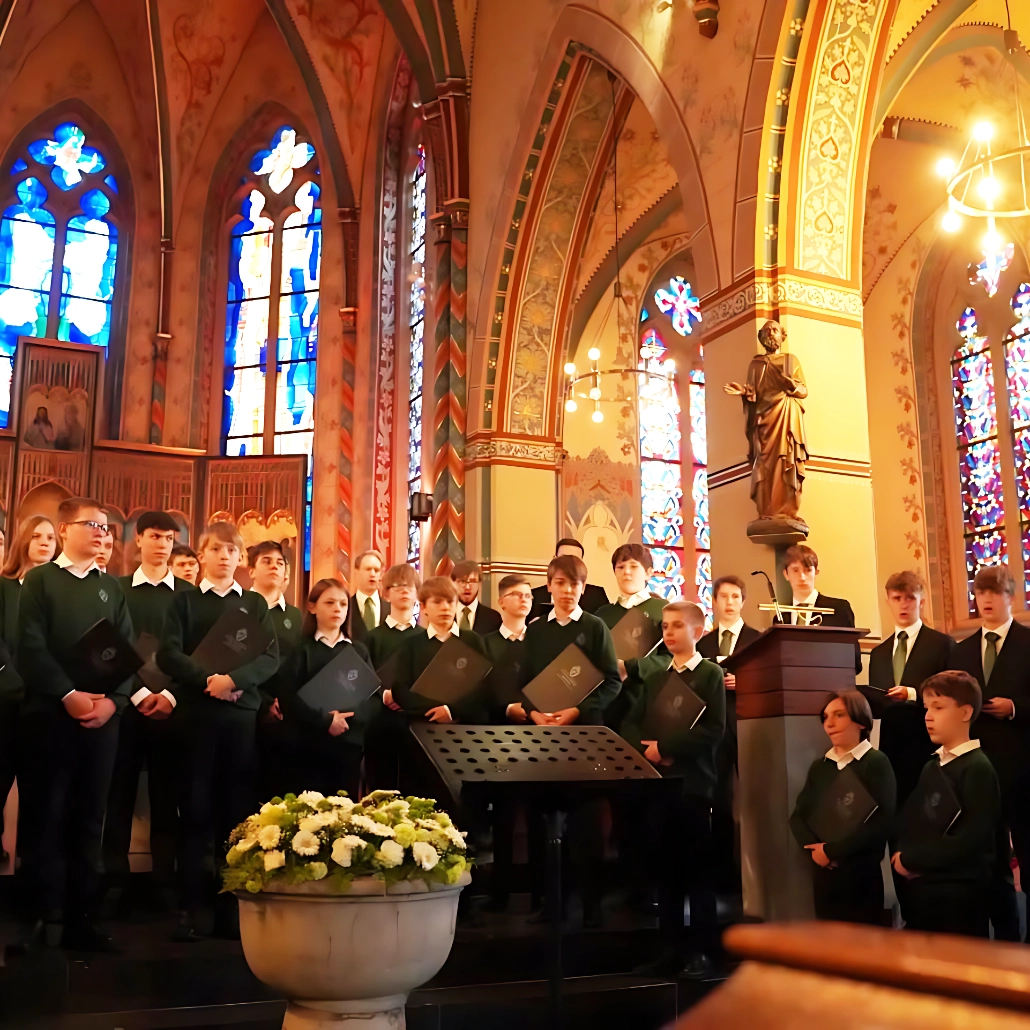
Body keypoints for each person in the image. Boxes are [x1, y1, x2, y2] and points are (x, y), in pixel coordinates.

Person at [16, 498, 134, 952]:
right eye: (93, 525)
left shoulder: (111, 588)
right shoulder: (41, 580)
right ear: (65, 530)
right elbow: (30, 647)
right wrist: (68, 695)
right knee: (47, 817)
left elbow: (125, 652)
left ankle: (83, 920)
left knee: (90, 819)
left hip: (101, 721)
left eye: (106, 528)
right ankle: (45, 918)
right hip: (51, 717)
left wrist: (113, 704)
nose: (102, 533)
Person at [157, 522, 279, 941]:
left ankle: (231, 910)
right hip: (196, 716)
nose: (224, 557)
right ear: (202, 555)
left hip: (239, 718)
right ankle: (192, 909)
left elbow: (270, 657)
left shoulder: (254, 604)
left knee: (236, 814)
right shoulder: (185, 601)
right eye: (216, 549)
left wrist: (234, 681)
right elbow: (168, 653)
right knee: (195, 811)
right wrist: (209, 679)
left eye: (231, 550)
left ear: (240, 558)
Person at [621, 601, 725, 977]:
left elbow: (714, 729)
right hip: (659, 785)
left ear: (697, 631)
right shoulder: (655, 677)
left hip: (693, 783)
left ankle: (703, 952)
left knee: (697, 873)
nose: (668, 632)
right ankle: (670, 948)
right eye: (665, 626)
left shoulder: (710, 674)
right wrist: (645, 749)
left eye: (677, 626)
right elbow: (631, 722)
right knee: (665, 873)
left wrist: (665, 748)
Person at [104, 511, 193, 913]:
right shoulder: (118, 589)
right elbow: (109, 647)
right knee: (118, 797)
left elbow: (196, 654)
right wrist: (139, 693)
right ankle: (112, 882)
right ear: (138, 540)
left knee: (167, 798)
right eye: (155, 536)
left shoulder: (188, 594)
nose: (162, 544)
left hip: (174, 710)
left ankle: (164, 883)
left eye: (169, 538)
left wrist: (170, 694)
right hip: (126, 706)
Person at [947, 564, 1030, 940]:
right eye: (980, 593)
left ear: (1010, 597)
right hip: (978, 769)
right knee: (987, 860)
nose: (986, 600)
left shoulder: (1027, 642)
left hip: (1023, 767)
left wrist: (1014, 707)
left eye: (994, 593)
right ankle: (999, 939)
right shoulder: (961, 651)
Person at [891, 671, 1001, 938]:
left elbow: (972, 839)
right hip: (923, 888)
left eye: (938, 708)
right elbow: (912, 820)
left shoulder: (977, 767)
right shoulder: (932, 765)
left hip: (959, 896)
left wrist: (913, 860)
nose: (928, 716)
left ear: (965, 712)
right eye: (927, 708)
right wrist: (903, 855)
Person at [789, 691, 896, 925]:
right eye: (826, 717)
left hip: (861, 875)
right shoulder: (820, 767)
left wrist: (833, 851)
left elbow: (882, 822)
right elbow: (798, 816)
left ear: (860, 721)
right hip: (825, 873)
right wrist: (816, 850)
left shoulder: (875, 762)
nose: (829, 723)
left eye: (839, 715)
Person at [273, 579, 377, 800]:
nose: (337, 609)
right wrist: (326, 721)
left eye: (343, 604)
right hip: (308, 746)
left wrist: (346, 720)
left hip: (348, 745)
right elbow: (288, 696)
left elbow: (372, 697)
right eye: (329, 603)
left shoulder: (358, 650)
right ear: (312, 607)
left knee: (346, 810)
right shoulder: (300, 649)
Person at [864, 571, 952, 807]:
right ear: (888, 602)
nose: (903, 604)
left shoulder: (941, 644)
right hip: (891, 746)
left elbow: (952, 693)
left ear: (921, 601)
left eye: (910, 598)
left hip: (928, 744)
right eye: (897, 598)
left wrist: (912, 693)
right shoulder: (878, 653)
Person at [697, 574, 762, 889]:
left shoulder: (758, 640)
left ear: (743, 601)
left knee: (754, 797)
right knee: (719, 798)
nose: (730, 602)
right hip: (716, 726)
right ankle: (723, 873)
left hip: (749, 724)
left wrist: (745, 682)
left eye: (736, 597)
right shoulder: (703, 644)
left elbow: (767, 680)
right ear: (714, 601)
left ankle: (758, 873)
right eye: (724, 596)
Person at [0, 516, 57, 866]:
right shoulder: (4, 587)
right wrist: (11, 678)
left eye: (50, 537)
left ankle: (33, 863)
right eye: (37, 536)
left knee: (41, 789)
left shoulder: (59, 591)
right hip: (6, 699)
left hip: (46, 701)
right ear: (23, 540)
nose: (45, 542)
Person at [520, 554, 621, 726]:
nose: (567, 590)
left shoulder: (595, 627)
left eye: (574, 584)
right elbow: (523, 680)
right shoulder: (535, 629)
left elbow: (613, 681)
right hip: (540, 724)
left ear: (583, 588)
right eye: (560, 583)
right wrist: (533, 713)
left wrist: (579, 710)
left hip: (585, 725)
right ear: (549, 586)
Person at [390, 576, 491, 726]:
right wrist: (434, 710)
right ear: (423, 607)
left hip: (467, 725)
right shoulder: (411, 645)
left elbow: (485, 686)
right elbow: (400, 689)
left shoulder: (473, 641)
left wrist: (452, 711)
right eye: (437, 602)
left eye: (450, 601)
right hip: (422, 723)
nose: (445, 607)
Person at [247, 541, 302, 799]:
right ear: (251, 570)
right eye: (267, 561)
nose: (274, 567)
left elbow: (298, 664)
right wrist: (264, 702)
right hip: (247, 707)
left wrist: (284, 702)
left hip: (286, 713)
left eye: (280, 563)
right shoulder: (239, 608)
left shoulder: (296, 616)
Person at [364, 563, 424, 792]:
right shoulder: (372, 637)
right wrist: (384, 694)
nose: (404, 591)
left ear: (417, 594)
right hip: (380, 719)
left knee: (414, 785)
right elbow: (364, 674)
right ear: (386, 593)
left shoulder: (424, 637)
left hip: (414, 720)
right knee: (380, 785)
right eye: (397, 586)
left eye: (409, 586)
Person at [775, 543, 860, 672]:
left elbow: (854, 661)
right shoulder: (780, 617)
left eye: (808, 570)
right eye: (795, 570)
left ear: (816, 572)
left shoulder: (838, 609)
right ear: (786, 574)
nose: (802, 577)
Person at [482, 573, 533, 722]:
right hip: (495, 724)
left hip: (536, 724)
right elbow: (480, 691)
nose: (523, 599)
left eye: (528, 596)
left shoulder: (540, 641)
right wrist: (507, 709)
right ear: (501, 602)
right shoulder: (485, 644)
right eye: (517, 594)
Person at [529, 539, 608, 621]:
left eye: (575, 559)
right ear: (554, 559)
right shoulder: (533, 596)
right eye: (563, 558)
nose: (568, 564)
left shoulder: (597, 596)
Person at [345, 549, 390, 644]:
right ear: (356, 572)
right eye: (368, 569)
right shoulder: (345, 608)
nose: (372, 574)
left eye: (376, 570)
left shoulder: (391, 610)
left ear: (381, 575)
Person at [450, 560, 502, 635]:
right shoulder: (444, 614)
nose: (467, 587)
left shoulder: (493, 618)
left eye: (473, 581)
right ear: (453, 583)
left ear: (479, 584)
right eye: (462, 581)